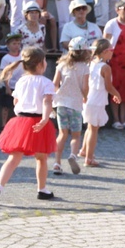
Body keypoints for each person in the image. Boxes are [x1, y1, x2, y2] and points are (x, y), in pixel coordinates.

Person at [0, 46, 58, 206]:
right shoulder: (46, 82)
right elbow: (47, 101)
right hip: (38, 122)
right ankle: (42, 189)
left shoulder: (21, 81)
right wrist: (46, 118)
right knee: (41, 158)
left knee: (13, 158)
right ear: (40, 64)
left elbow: (15, 102)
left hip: (20, 122)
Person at [52, 35, 90, 175]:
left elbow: (54, 84)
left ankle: (57, 162)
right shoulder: (85, 68)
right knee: (75, 135)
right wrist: (85, 97)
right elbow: (85, 87)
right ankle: (73, 155)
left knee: (62, 134)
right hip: (75, 104)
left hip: (61, 103)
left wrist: (58, 95)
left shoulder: (61, 65)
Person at [81, 38, 121, 166]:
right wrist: (117, 94)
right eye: (111, 50)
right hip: (96, 100)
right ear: (104, 52)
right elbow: (108, 87)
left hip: (90, 98)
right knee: (93, 130)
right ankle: (89, 158)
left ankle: (84, 150)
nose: (112, 52)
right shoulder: (105, 67)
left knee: (90, 127)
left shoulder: (91, 63)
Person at [103, 0, 125, 129]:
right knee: (115, 89)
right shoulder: (111, 24)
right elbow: (105, 43)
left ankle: (124, 119)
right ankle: (116, 119)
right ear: (117, 10)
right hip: (115, 62)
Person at [0, 32, 23, 127]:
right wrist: (7, 87)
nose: (16, 46)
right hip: (9, 85)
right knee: (6, 106)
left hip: (20, 86)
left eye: (18, 43)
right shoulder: (6, 58)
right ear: (8, 45)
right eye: (14, 44)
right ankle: (3, 124)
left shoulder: (22, 56)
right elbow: (4, 74)